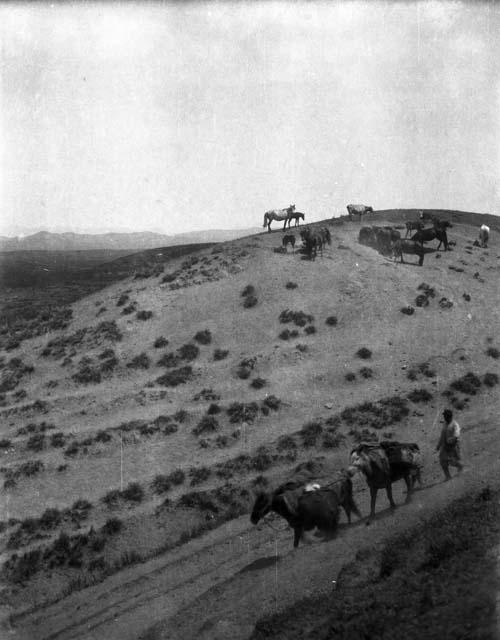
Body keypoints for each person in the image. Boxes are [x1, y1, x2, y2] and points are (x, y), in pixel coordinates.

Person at [436, 409, 463, 480]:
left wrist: (452, 439)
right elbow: (442, 435)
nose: (444, 417)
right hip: (444, 446)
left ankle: (460, 467)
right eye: (444, 416)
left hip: (453, 446)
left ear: (449, 416)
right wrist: (438, 445)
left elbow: (457, 434)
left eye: (445, 416)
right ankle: (448, 476)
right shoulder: (445, 423)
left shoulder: (455, 424)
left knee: (452, 462)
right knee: (442, 461)